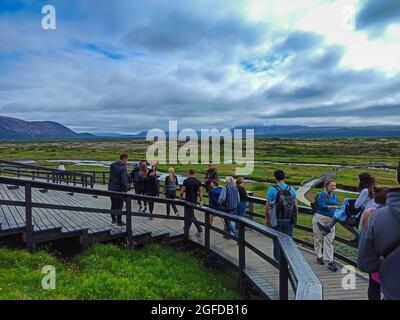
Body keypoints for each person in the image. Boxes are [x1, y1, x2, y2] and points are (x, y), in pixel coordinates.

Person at [357, 187, 400, 300]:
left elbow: (364, 263)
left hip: (391, 289)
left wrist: (385, 263)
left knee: (373, 290)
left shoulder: (376, 217)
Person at [318, 172, 377, 241]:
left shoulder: (365, 191)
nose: (358, 181)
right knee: (339, 216)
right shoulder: (374, 189)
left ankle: (357, 235)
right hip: (373, 215)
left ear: (362, 181)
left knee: (339, 216)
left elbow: (356, 205)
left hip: (364, 216)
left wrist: (352, 200)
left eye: (359, 179)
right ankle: (328, 229)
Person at [265, 169, 298, 262]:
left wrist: (267, 219)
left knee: (276, 241)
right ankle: (288, 260)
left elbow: (267, 206)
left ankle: (278, 262)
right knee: (288, 241)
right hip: (288, 219)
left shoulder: (272, 189)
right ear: (284, 177)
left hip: (276, 219)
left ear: (275, 177)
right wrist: (294, 218)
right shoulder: (291, 189)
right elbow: (296, 206)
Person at [313, 179, 340, 272]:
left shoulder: (335, 196)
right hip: (320, 218)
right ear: (327, 186)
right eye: (332, 185)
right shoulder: (323, 194)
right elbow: (322, 205)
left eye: (334, 186)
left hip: (331, 220)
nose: (333, 187)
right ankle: (319, 256)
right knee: (318, 238)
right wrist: (334, 207)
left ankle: (330, 260)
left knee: (329, 239)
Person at [108, 153, 130, 226]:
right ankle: (119, 221)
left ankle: (113, 220)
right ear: (124, 158)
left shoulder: (112, 165)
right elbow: (124, 180)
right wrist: (127, 188)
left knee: (113, 204)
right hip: (118, 189)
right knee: (119, 205)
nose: (127, 161)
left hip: (111, 188)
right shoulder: (123, 168)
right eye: (127, 159)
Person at [180, 169, 203, 236]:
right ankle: (186, 227)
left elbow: (181, 191)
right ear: (195, 173)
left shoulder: (186, 181)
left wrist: (181, 198)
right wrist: (201, 200)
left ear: (189, 173)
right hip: (194, 201)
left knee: (190, 215)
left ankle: (199, 229)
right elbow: (201, 192)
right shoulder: (198, 182)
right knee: (189, 214)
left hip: (187, 201)